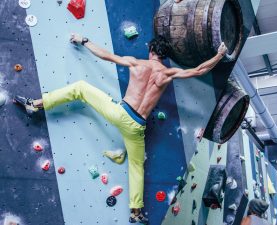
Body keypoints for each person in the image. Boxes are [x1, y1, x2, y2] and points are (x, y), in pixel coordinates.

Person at [14, 34, 227, 224]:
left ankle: (35, 105)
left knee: (80, 89)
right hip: (136, 127)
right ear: (164, 55)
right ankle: (135, 211)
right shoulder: (169, 73)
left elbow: (106, 56)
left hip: (120, 113)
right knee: (137, 166)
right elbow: (200, 69)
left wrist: (84, 40)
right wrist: (219, 55)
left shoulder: (137, 63)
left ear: (151, 50)